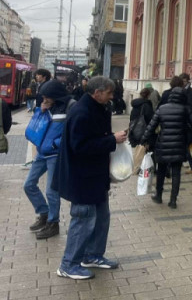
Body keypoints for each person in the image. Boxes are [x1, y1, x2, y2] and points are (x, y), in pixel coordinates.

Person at [53, 76, 127, 280]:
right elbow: (81, 147)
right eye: (109, 92)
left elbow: (95, 138)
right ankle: (68, 264)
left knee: (102, 218)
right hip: (82, 178)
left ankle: (92, 255)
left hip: (95, 176)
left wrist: (111, 138)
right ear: (98, 93)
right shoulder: (82, 112)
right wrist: (112, 139)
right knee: (83, 219)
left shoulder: (96, 107)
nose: (112, 96)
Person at [24, 80, 73, 240]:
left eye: (47, 97)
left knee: (51, 191)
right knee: (29, 185)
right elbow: (36, 125)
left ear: (56, 95)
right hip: (41, 152)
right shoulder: (47, 106)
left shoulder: (70, 106)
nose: (45, 99)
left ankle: (53, 223)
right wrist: (41, 111)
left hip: (54, 154)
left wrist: (55, 144)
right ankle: (43, 213)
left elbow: (72, 131)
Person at [142, 86, 192, 208]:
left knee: (161, 171)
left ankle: (158, 195)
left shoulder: (162, 108)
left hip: (163, 144)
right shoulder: (185, 109)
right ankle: (173, 201)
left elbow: (151, 125)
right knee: (176, 173)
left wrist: (144, 138)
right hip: (179, 144)